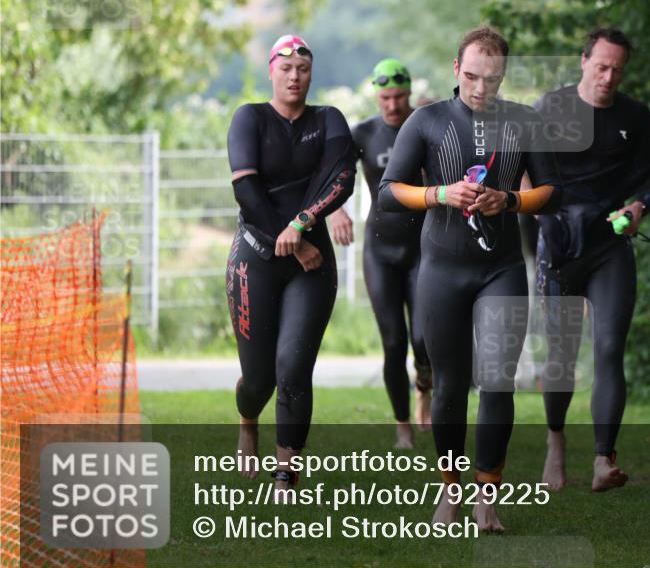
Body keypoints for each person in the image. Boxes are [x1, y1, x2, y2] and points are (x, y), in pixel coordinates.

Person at [378, 26, 561, 531]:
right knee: (451, 388)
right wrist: (438, 194)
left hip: (499, 268)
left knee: (498, 384)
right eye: (474, 76)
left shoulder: (523, 121)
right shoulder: (427, 121)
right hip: (441, 269)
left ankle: (487, 499)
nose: (482, 88)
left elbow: (551, 191)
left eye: (493, 78)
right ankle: (450, 493)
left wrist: (512, 201)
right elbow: (392, 188)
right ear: (456, 70)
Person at [533, 27, 650, 492]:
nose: (609, 77)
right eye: (602, 66)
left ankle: (603, 460)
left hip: (609, 248)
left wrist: (636, 208)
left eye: (618, 70)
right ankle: (555, 443)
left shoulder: (635, 116)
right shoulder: (551, 109)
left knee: (609, 347)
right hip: (560, 247)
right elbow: (528, 175)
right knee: (563, 356)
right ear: (584, 62)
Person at [226, 34, 356, 495]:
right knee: (259, 378)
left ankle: (286, 471)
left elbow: (343, 178)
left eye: (302, 68)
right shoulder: (250, 118)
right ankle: (247, 420)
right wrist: (293, 242)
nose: (295, 76)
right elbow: (247, 193)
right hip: (256, 259)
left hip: (312, 263)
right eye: (286, 69)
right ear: (271, 72)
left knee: (293, 366)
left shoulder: (329, 119)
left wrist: (302, 225)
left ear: (311, 73)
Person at [328, 58, 432, 450]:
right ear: (377, 94)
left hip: (423, 247)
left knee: (423, 339)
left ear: (409, 94)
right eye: (386, 97)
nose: (392, 105)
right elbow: (336, 177)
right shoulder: (365, 133)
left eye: (400, 97)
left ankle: (425, 383)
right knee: (393, 342)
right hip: (381, 249)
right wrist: (337, 210)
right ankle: (402, 425)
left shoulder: (424, 127)